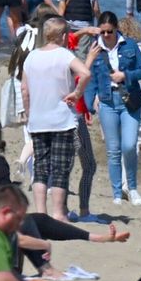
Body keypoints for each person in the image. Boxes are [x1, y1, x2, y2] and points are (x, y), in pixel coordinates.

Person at [22, 17, 91, 220]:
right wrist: (77, 93)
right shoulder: (64, 55)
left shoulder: (31, 57)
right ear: (62, 36)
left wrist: (28, 113)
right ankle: (58, 213)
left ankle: (41, 213)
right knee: (60, 167)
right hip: (61, 120)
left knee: (40, 167)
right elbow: (85, 73)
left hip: (38, 119)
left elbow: (24, 89)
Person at [85, 12, 141, 206]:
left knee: (129, 146)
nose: (105, 36)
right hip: (107, 101)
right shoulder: (95, 48)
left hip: (128, 99)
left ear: (116, 29)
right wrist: (89, 105)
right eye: (102, 32)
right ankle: (117, 193)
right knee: (113, 150)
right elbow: (90, 78)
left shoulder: (129, 45)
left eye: (109, 32)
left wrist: (125, 75)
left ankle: (132, 187)